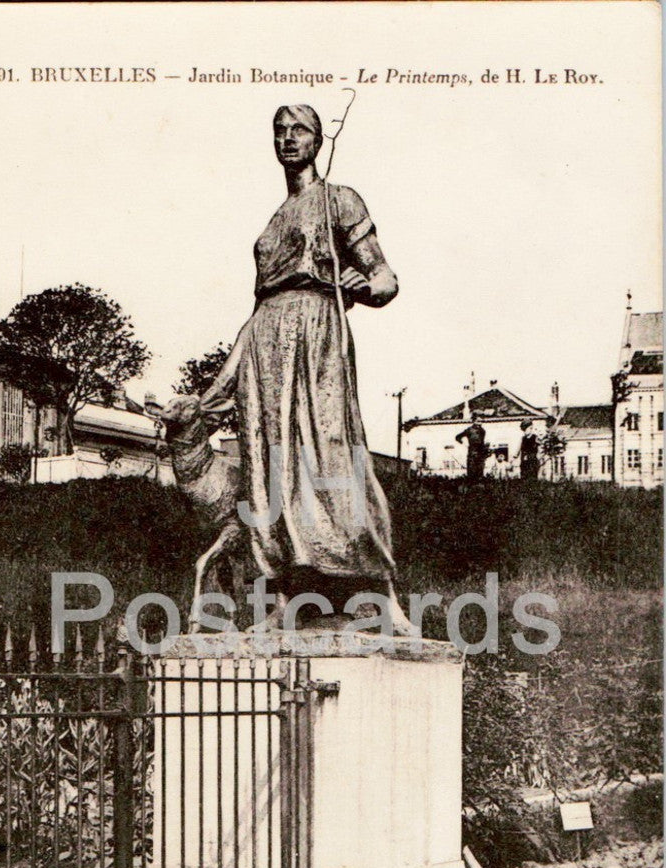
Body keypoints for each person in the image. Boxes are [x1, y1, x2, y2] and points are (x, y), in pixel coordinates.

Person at [201, 104, 411, 633]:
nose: (287, 139)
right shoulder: (274, 220)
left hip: (317, 333)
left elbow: (383, 272)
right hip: (265, 338)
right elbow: (258, 306)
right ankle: (278, 591)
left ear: (318, 141)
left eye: (299, 131)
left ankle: (369, 586)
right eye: (279, 130)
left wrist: (370, 287)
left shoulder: (338, 199)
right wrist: (233, 366)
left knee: (330, 450)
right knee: (267, 463)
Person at [455, 412, 487, 483]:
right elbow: (457, 437)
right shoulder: (469, 430)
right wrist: (464, 444)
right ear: (474, 421)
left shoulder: (483, 431)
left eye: (481, 421)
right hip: (472, 453)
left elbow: (482, 442)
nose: (480, 423)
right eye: (478, 421)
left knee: (480, 473)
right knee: (472, 473)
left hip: (480, 454)